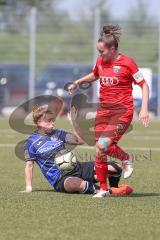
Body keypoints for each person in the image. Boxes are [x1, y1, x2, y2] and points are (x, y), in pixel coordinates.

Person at [67, 24, 149, 197]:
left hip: (122, 112)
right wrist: (78, 82)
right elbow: (95, 75)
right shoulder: (100, 61)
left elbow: (144, 85)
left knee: (103, 145)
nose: (100, 54)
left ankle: (126, 159)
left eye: (102, 51)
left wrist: (144, 109)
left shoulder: (128, 63)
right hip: (104, 111)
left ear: (112, 49)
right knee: (100, 149)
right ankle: (103, 189)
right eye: (98, 51)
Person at [21, 105, 133, 195]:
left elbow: (79, 141)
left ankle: (114, 188)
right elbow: (29, 165)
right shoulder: (31, 142)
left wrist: (73, 123)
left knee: (115, 167)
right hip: (61, 179)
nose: (52, 123)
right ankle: (109, 192)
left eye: (53, 120)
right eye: (49, 120)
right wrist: (28, 187)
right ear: (39, 122)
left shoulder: (59, 133)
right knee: (74, 183)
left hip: (78, 168)